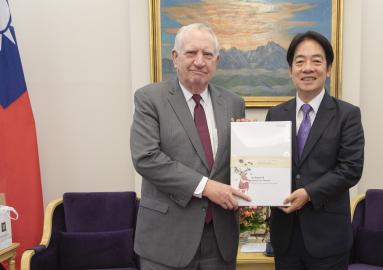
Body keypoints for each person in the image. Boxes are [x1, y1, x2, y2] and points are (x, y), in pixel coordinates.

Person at [130, 23, 250, 270]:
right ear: (175, 57)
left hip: (220, 240)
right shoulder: (150, 99)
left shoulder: (233, 103)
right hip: (167, 240)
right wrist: (207, 187)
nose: (199, 61)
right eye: (191, 53)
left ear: (216, 61)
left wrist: (251, 148)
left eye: (207, 55)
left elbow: (236, 163)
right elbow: (147, 158)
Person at [265, 31, 365, 270]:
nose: (307, 68)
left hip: (328, 239)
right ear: (291, 70)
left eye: (316, 61)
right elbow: (268, 164)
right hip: (285, 237)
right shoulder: (276, 114)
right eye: (300, 62)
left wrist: (308, 193)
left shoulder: (347, 115)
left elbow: (350, 169)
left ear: (328, 68)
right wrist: (247, 142)